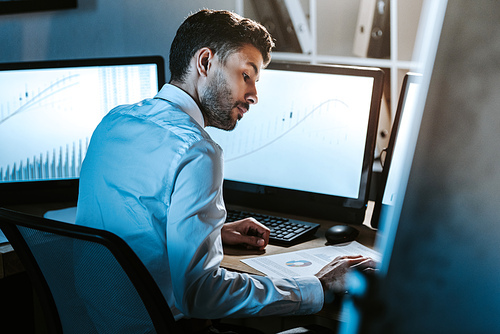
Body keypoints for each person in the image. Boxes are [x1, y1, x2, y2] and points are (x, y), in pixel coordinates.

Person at [76, 8, 375, 331]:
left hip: (101, 322)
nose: (254, 96)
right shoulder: (196, 150)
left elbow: (129, 227)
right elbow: (200, 295)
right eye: (247, 75)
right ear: (204, 62)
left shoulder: (114, 121)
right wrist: (318, 287)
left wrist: (212, 233)